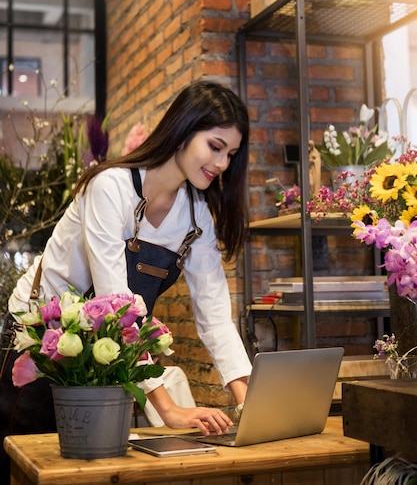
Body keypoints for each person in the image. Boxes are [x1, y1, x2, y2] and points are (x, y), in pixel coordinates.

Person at [0, 79, 252, 475]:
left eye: (231, 154)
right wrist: (168, 409)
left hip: (102, 350)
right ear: (184, 131)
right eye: (215, 147)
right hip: (39, 341)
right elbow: (116, 305)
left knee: (94, 468)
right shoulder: (110, 187)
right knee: (34, 464)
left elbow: (215, 315)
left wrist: (249, 401)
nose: (222, 164)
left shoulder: (196, 213)